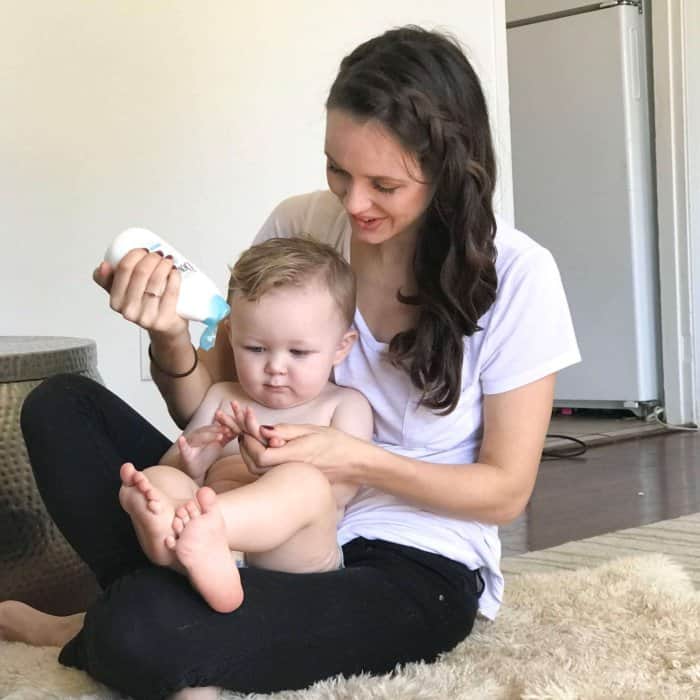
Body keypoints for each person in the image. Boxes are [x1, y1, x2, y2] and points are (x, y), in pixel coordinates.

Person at [7, 25, 579, 700]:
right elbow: (210, 396)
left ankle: (99, 623)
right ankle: (160, 606)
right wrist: (168, 340)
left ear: (450, 169)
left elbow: (505, 491)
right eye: (338, 170)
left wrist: (350, 459)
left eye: (384, 184)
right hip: (236, 513)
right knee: (59, 405)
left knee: (146, 630)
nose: (353, 202)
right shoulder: (299, 224)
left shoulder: (519, 275)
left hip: (408, 561)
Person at [118, 237, 372, 613]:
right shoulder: (224, 396)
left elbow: (340, 493)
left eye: (299, 352)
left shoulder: (343, 405)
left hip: (294, 559)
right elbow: (179, 464)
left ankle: (197, 532)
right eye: (255, 349)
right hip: (219, 552)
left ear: (341, 347)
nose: (275, 366)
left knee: (305, 483)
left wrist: (269, 464)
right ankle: (180, 543)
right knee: (158, 477)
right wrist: (192, 462)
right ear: (231, 336)